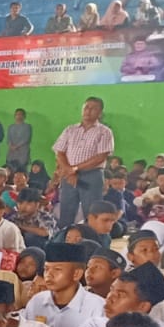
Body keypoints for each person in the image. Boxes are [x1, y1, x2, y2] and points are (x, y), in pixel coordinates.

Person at [52, 96, 114, 229]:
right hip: (68, 176)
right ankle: (65, 242)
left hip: (91, 175)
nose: (88, 111)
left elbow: (101, 157)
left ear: (100, 113)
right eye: (86, 107)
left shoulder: (104, 131)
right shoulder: (70, 129)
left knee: (91, 213)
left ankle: (92, 244)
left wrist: (74, 169)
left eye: (93, 108)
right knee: (66, 212)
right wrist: (69, 170)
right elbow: (59, 152)